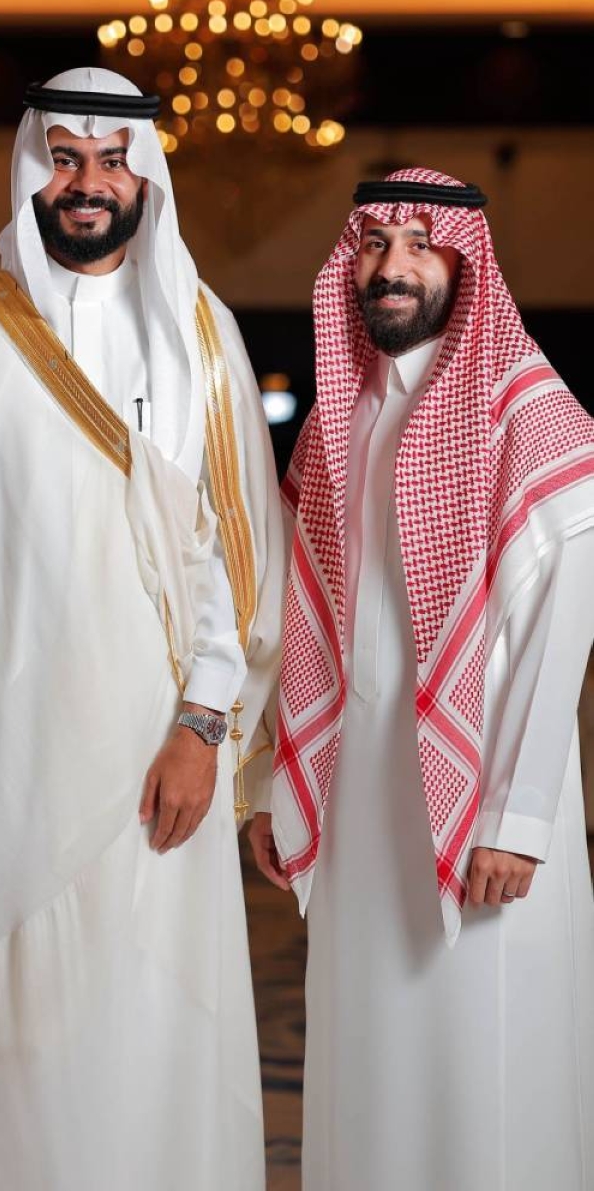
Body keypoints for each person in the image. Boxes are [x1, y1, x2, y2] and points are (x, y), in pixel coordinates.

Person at [0, 68, 284, 1191]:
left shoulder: (199, 336)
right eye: (65, 159)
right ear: (30, 171)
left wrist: (204, 725)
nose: (88, 183)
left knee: (142, 1032)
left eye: (112, 162)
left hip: (153, 757)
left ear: (147, 179)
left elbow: (239, 556)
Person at [250, 167, 594, 1191]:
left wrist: (515, 818)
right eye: (372, 244)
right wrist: (276, 783)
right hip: (357, 796)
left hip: (484, 799)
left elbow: (560, 629)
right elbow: (303, 617)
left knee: (483, 1057)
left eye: (417, 244)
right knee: (366, 1055)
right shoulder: (339, 416)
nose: (390, 267)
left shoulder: (533, 416)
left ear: (463, 264)